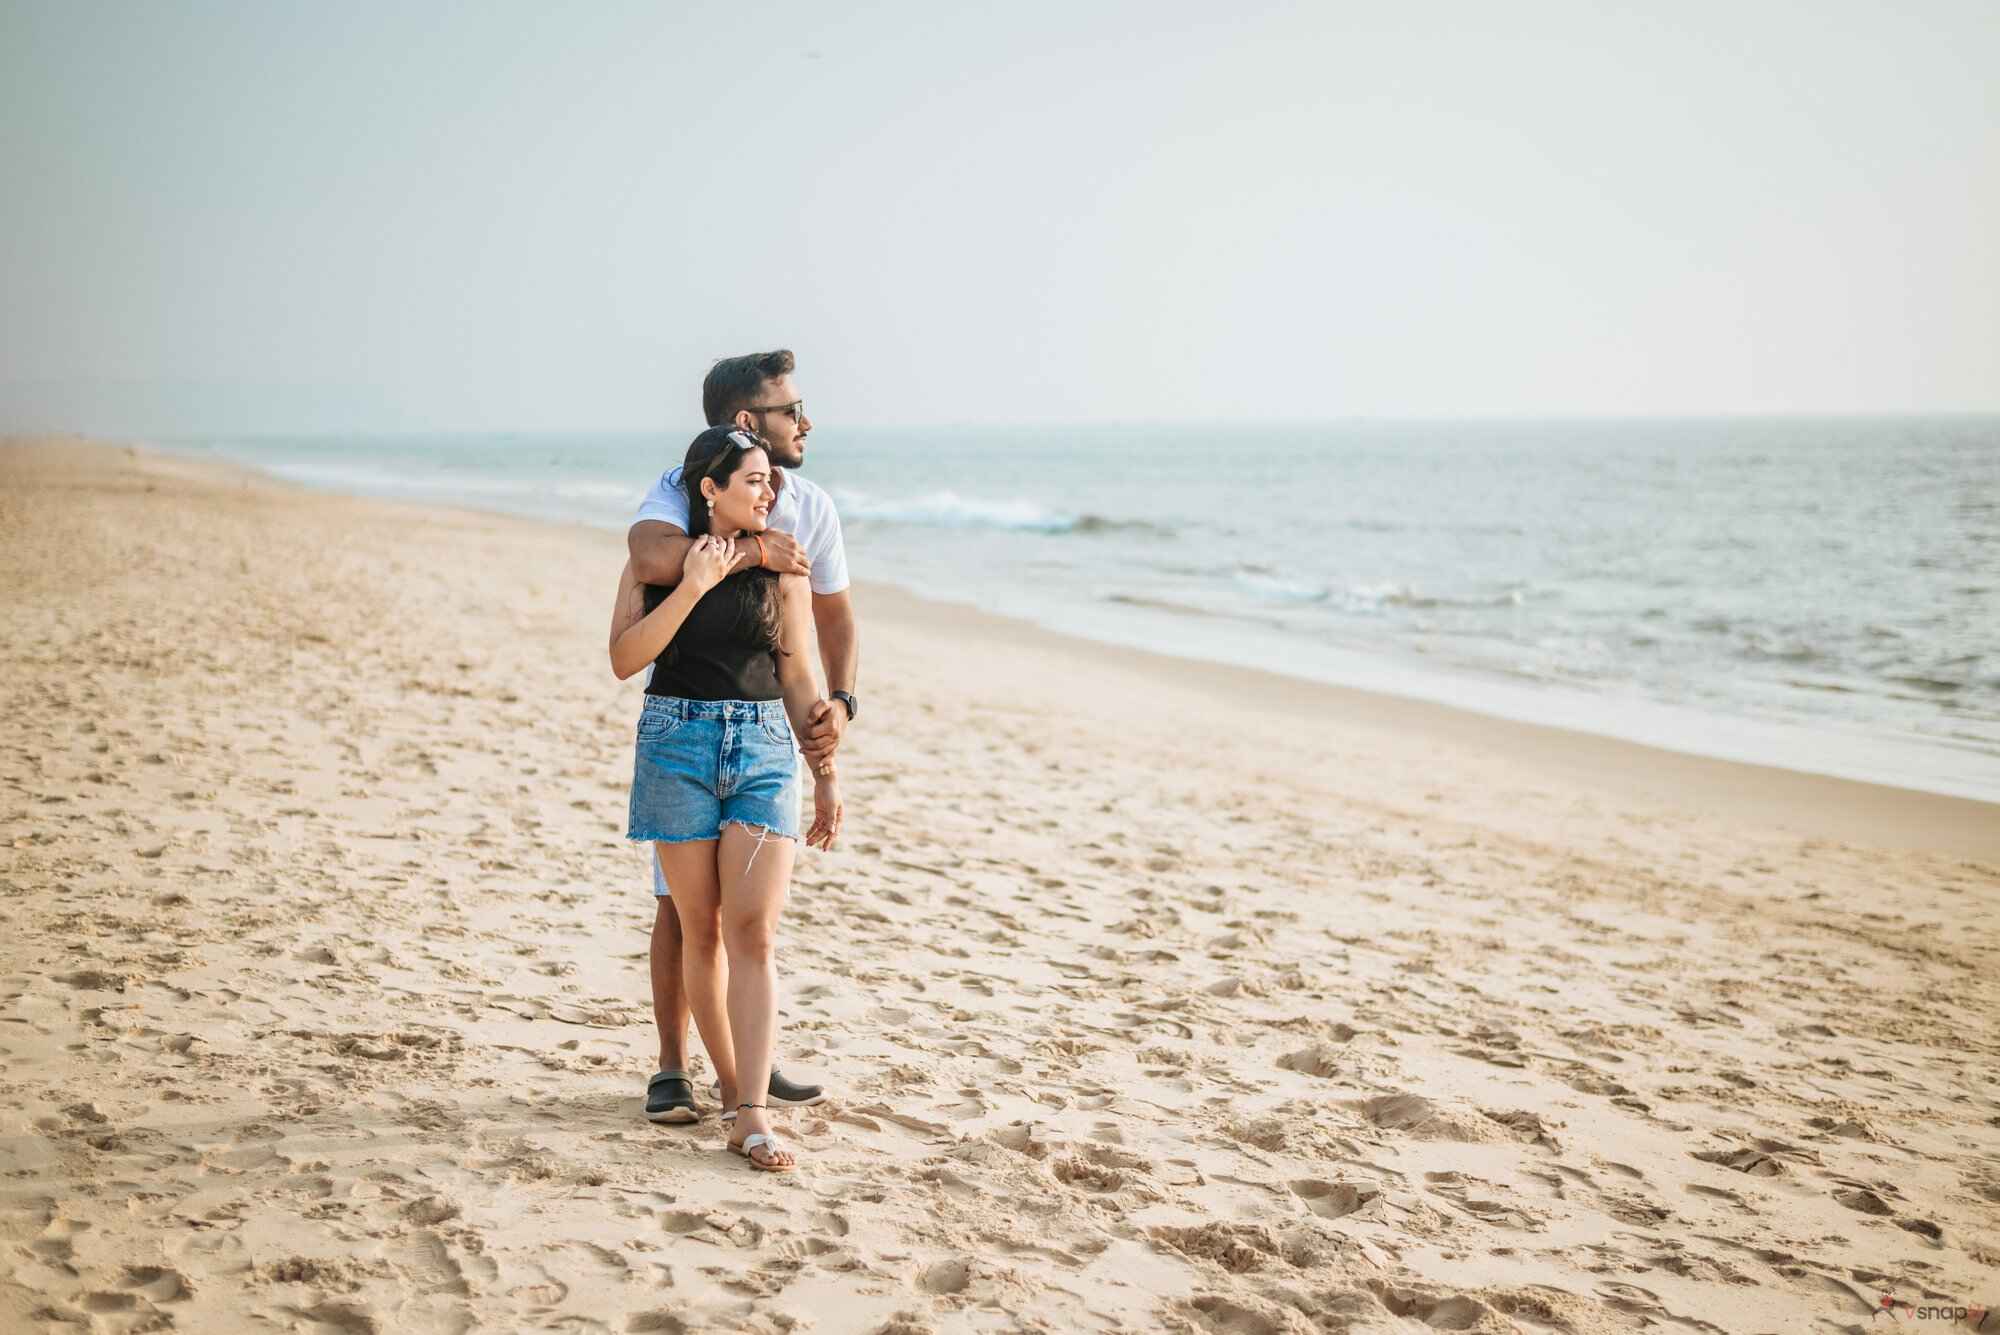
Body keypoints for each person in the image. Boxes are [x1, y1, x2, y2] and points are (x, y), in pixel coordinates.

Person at [627, 350, 860, 1125]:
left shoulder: (811, 505)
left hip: (762, 729)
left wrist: (837, 714)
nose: (806, 420)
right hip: (681, 731)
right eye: (791, 408)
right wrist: (749, 551)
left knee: (747, 926)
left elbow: (824, 625)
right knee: (685, 916)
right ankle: (675, 1064)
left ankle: (744, 1076)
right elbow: (652, 560)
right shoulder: (675, 488)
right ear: (744, 422)